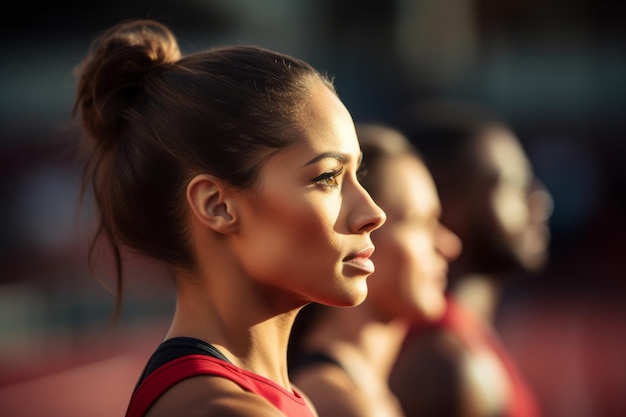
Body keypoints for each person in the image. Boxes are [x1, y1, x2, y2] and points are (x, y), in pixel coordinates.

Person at [72, 19, 387, 417]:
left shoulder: (271, 398)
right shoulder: (221, 409)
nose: (373, 213)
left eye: (358, 174)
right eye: (327, 177)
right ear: (217, 205)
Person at [388, 99, 554, 417]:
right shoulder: (442, 364)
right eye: (509, 185)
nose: (539, 199)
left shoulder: (461, 337)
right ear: (442, 203)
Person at [287, 123, 462, 417]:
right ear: (361, 230)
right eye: (420, 222)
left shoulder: (364, 394)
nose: (449, 244)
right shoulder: (340, 404)